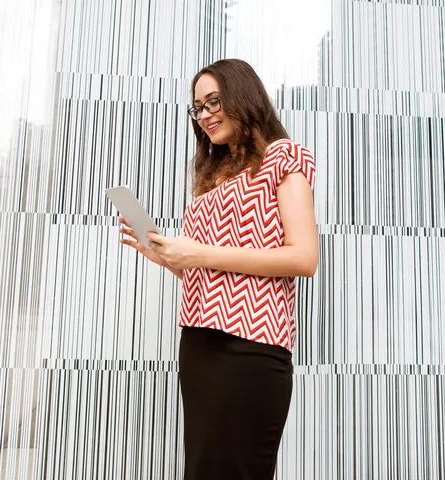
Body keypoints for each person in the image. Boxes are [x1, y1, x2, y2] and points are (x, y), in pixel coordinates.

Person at [119, 58, 318, 480]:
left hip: (250, 346)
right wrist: (170, 259)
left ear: (243, 98)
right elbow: (214, 273)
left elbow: (304, 258)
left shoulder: (283, 157)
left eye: (214, 102)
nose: (205, 115)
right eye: (198, 107)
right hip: (199, 345)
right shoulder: (211, 177)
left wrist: (201, 254)